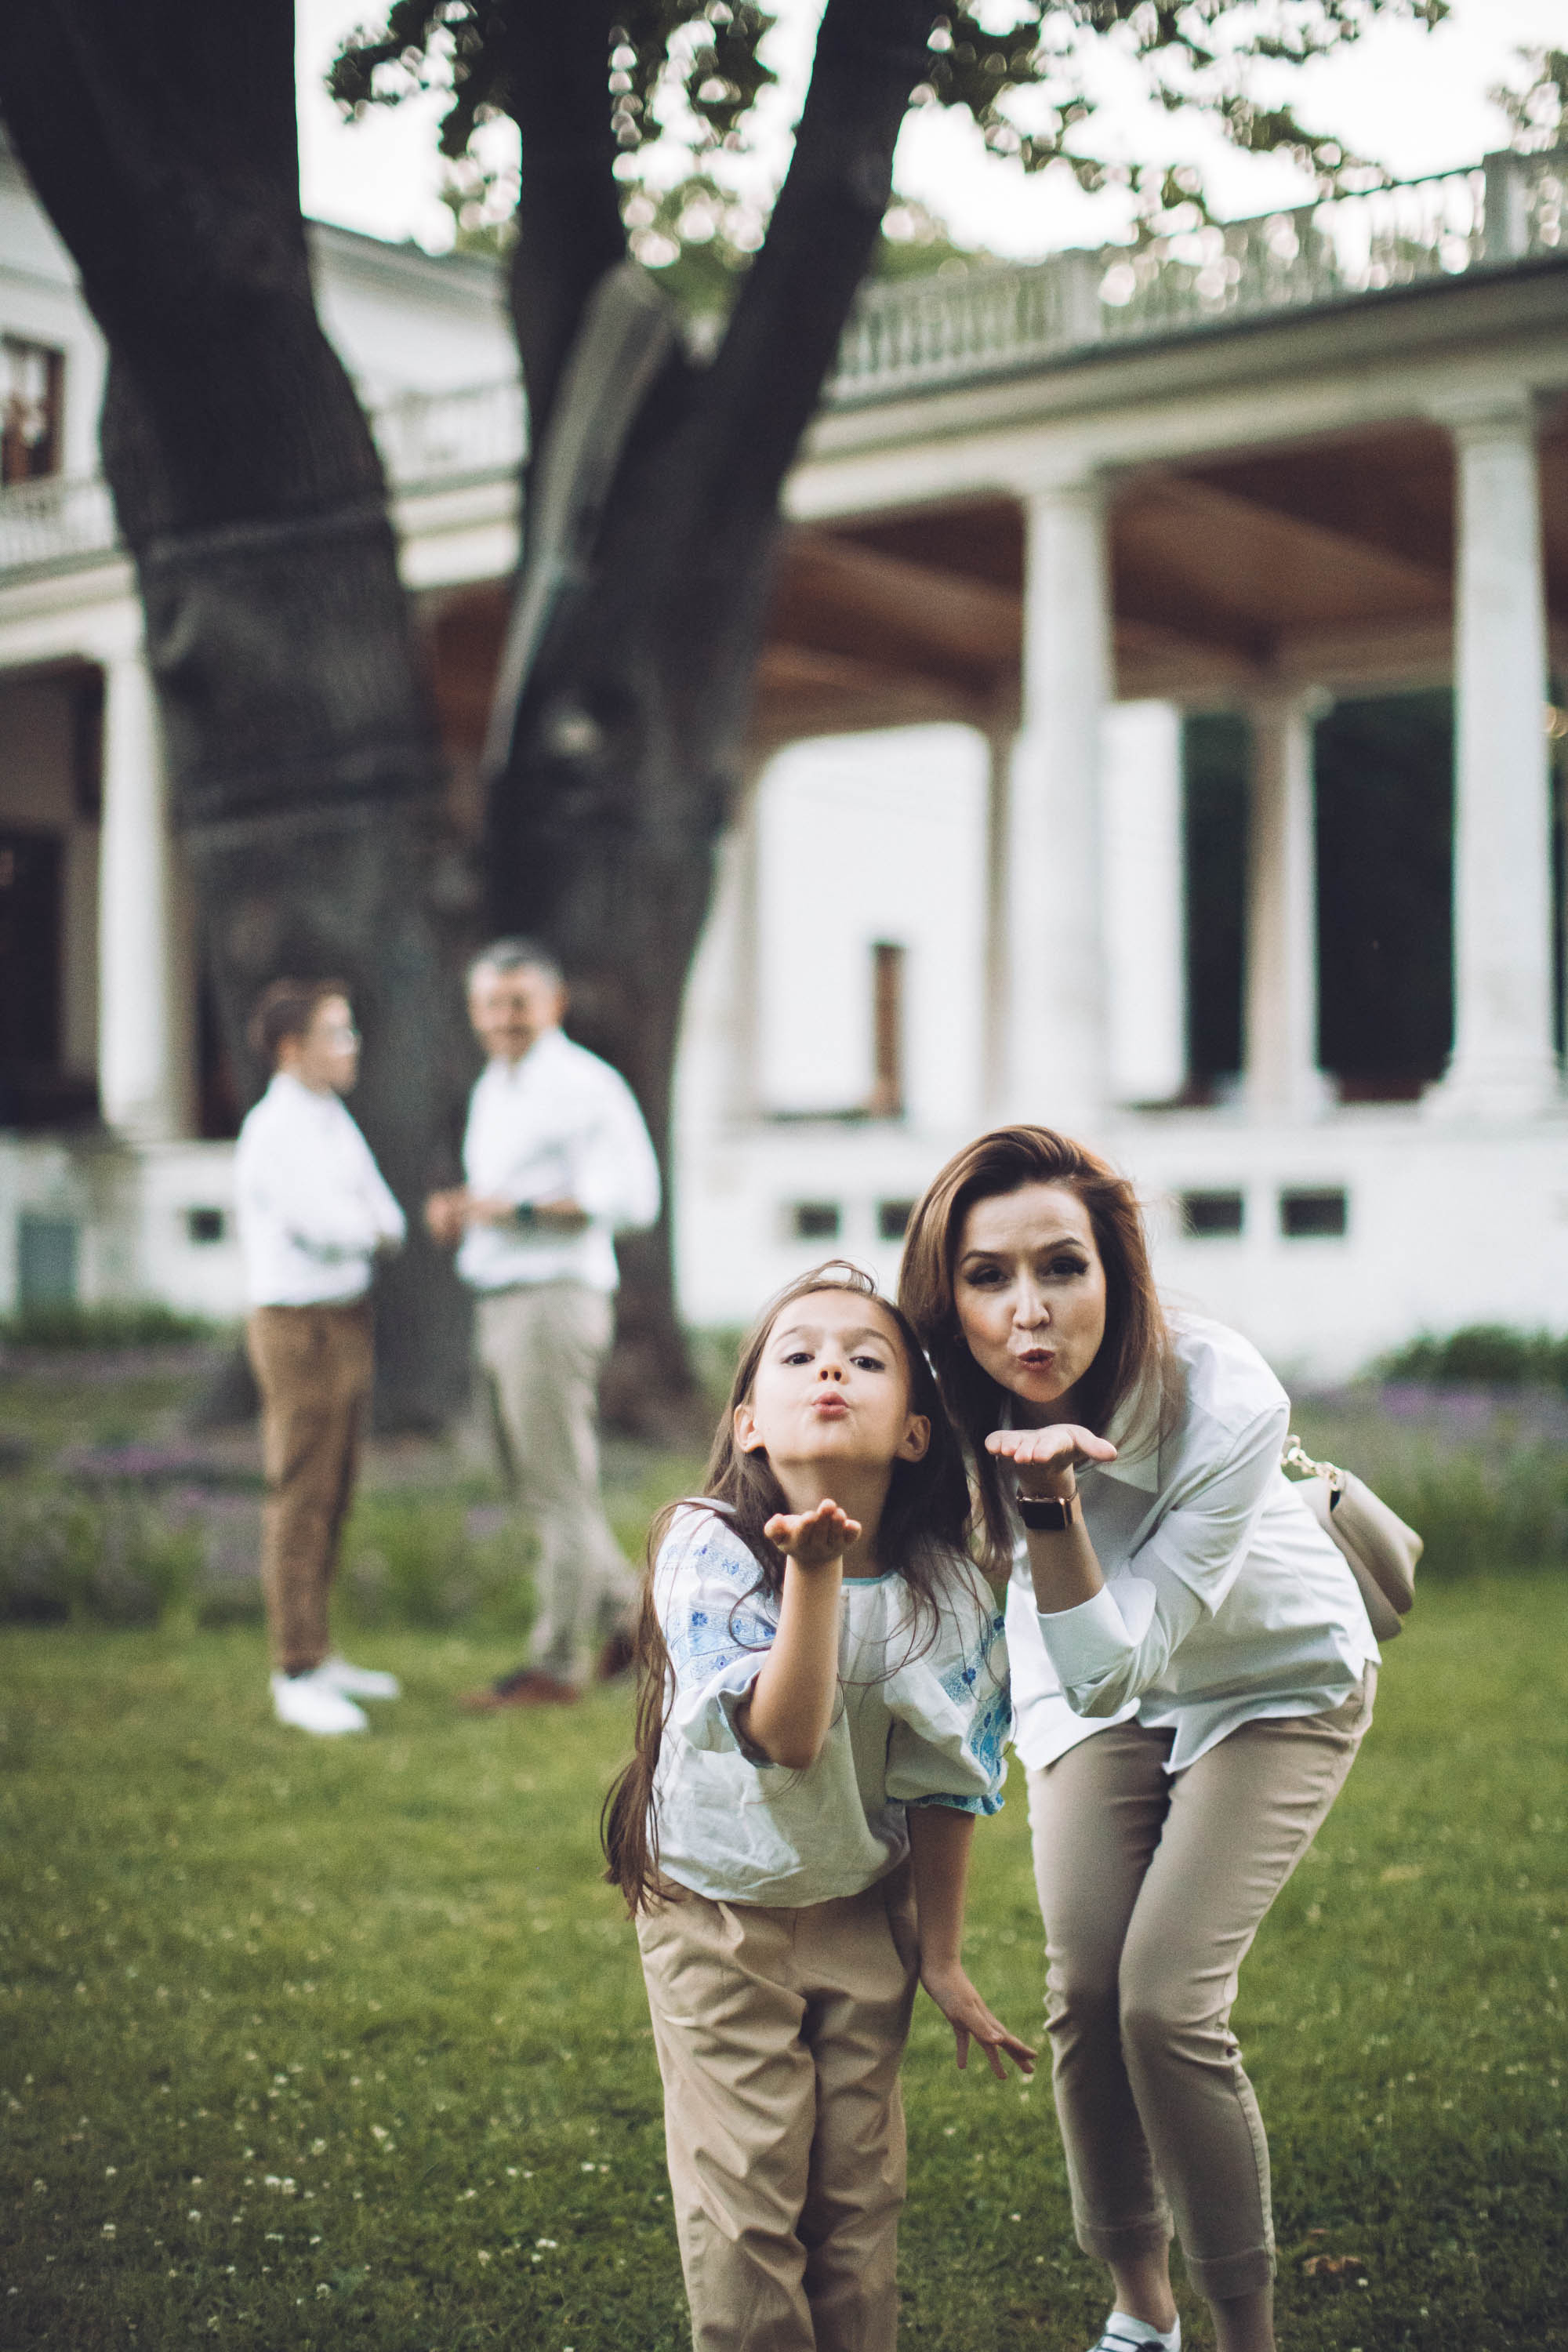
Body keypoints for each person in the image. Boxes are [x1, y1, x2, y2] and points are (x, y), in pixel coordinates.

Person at [900, 1127, 1381, 2352]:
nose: (1029, 1312)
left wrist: (1051, 1499)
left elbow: (1132, 1655)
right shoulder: (945, 1408)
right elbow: (1087, 1676)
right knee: (1087, 1988)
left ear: (1116, 1271)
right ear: (947, 1299)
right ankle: (1139, 2308)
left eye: (1062, 1267)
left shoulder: (1224, 1396)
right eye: (987, 1276)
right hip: (1085, 1679)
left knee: (1166, 2004)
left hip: (1272, 1678)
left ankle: (1247, 2334)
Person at [603, 1264, 1034, 2352]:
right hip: (719, 1916)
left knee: (855, 2193)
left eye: (867, 1356)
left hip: (860, 1907)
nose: (830, 1365)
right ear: (749, 1423)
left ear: (916, 1435)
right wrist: (816, 1578)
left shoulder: (948, 1589)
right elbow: (783, 1739)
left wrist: (940, 1955)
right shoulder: (708, 1546)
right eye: (797, 1354)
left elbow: (949, 1781)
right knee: (746, 2195)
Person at [426, 938, 660, 1708]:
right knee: (528, 1477)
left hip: (553, 1300)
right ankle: (633, 1618)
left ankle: (553, 1665)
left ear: (553, 1004)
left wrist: (512, 1210)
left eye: (517, 1003)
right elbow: (510, 1192)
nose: (502, 1019)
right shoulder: (499, 1084)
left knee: (557, 1484)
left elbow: (628, 1200)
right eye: (489, 1005)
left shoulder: (584, 1087)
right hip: (500, 1297)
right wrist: (465, 1210)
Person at [234, 978, 407, 1737]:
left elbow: (386, 1216)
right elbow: (327, 1223)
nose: (352, 1046)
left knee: (337, 1485)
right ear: (291, 1047)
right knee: (300, 1489)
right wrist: (362, 1225)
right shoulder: (274, 1129)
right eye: (336, 1033)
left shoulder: (330, 1116)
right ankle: (293, 1670)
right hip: (297, 1324)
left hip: (346, 1317)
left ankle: (320, 1650)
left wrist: (364, 1224)